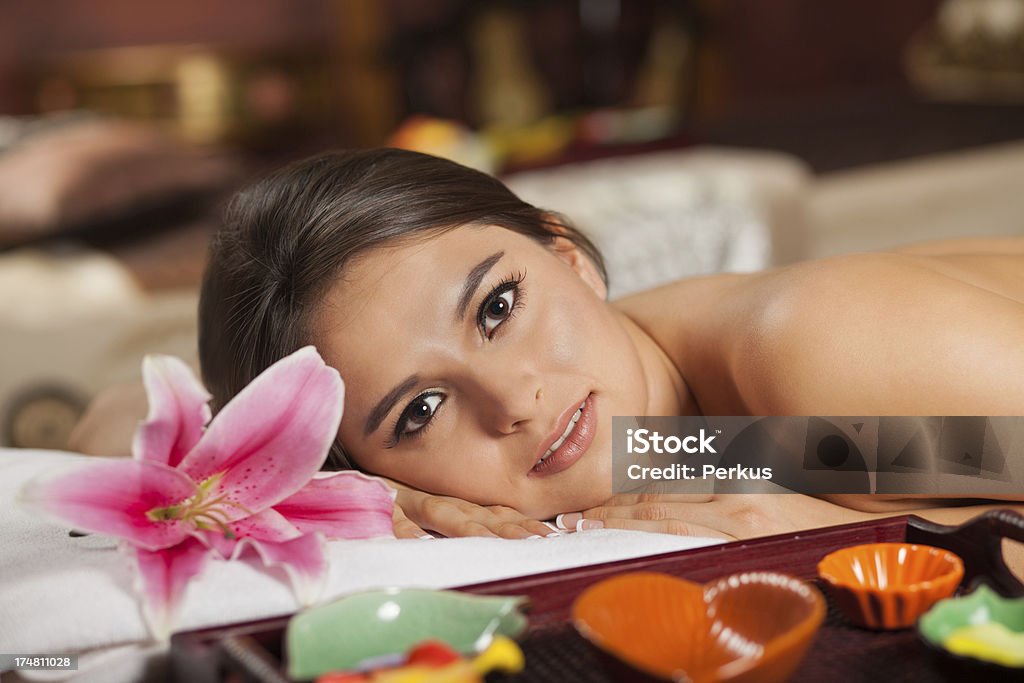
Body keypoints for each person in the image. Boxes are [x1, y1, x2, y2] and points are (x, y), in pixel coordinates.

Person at [97, 148, 1024, 547]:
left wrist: (865, 535)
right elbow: (110, 417)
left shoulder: (810, 349)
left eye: (498, 305)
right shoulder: (679, 442)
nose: (514, 399)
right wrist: (352, 486)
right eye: (419, 411)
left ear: (568, 253)